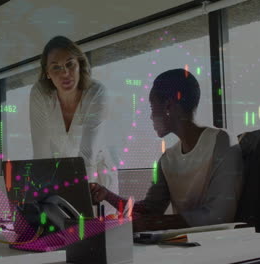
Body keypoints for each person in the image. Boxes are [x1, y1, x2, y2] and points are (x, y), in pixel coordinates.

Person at [90, 68, 243, 231]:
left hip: (220, 246)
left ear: (168, 105)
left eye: (151, 106)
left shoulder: (221, 141)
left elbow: (218, 215)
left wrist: (152, 223)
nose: (150, 116)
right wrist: (107, 195)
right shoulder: (168, 158)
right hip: (185, 246)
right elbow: (149, 210)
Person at [29, 36, 118, 212]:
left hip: (96, 179)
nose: (65, 73)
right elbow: (41, 151)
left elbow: (87, 152)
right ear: (47, 72)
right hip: (59, 177)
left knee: (96, 232)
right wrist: (41, 199)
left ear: (80, 64)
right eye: (56, 67)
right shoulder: (40, 94)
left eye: (70, 64)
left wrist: (80, 198)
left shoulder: (97, 93)